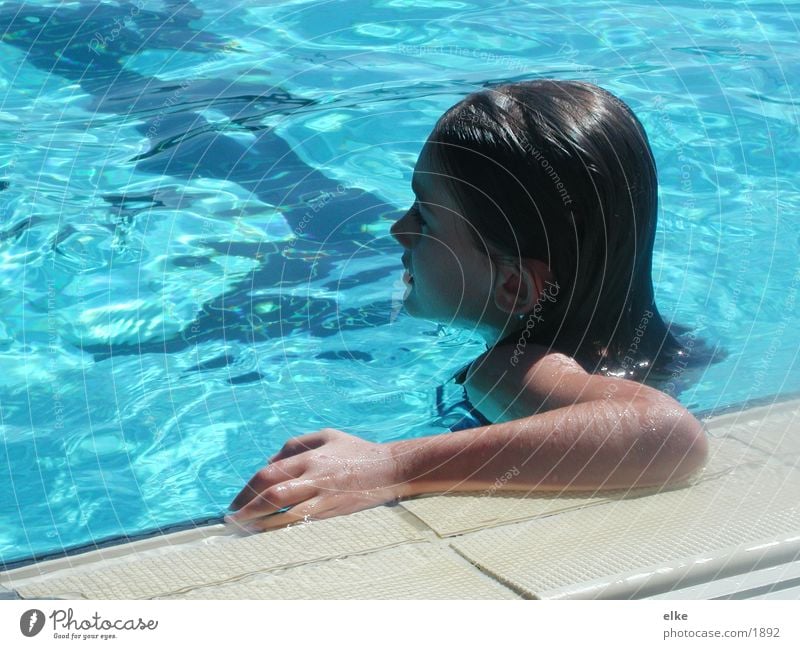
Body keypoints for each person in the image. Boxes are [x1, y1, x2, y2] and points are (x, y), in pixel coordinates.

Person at [226, 79, 716, 532]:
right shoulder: (670, 343)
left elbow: (665, 435)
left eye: (426, 217)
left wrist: (393, 466)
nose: (400, 228)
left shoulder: (510, 368)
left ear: (514, 287)